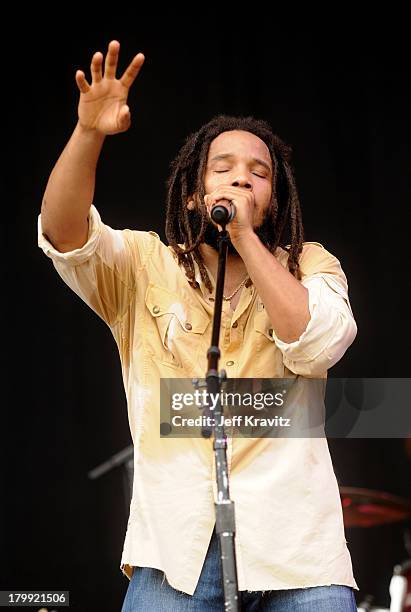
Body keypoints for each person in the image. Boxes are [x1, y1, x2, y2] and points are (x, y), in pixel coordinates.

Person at [38, 40, 359, 611]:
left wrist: (245, 238)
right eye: (224, 168)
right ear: (193, 194)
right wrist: (88, 133)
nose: (242, 180)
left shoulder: (310, 264)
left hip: (298, 551)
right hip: (176, 550)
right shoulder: (144, 266)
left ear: (274, 200)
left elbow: (319, 345)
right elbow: (64, 234)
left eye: (259, 174)